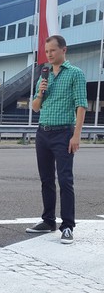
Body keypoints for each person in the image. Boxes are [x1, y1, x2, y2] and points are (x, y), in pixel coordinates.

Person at [26, 35, 87, 244]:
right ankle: (48, 220)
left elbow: (81, 105)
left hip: (64, 133)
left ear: (63, 50)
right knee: (46, 179)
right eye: (47, 51)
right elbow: (35, 107)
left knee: (65, 179)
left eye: (53, 50)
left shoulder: (75, 74)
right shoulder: (44, 74)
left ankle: (68, 225)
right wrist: (41, 92)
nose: (49, 55)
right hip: (42, 132)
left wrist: (76, 135)